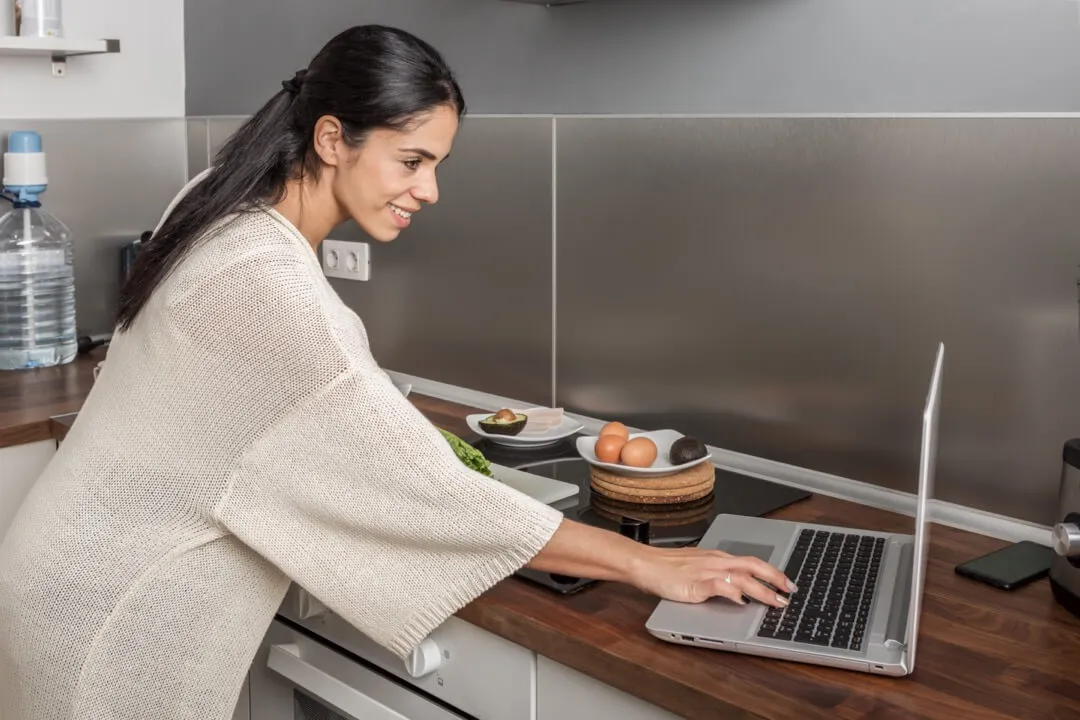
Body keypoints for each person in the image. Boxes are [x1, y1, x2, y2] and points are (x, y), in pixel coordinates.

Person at [0, 25, 795, 720]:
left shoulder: (217, 197)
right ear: (332, 138)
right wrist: (646, 562)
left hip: (67, 568)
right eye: (411, 159)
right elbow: (429, 493)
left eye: (438, 162)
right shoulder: (267, 284)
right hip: (115, 619)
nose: (431, 189)